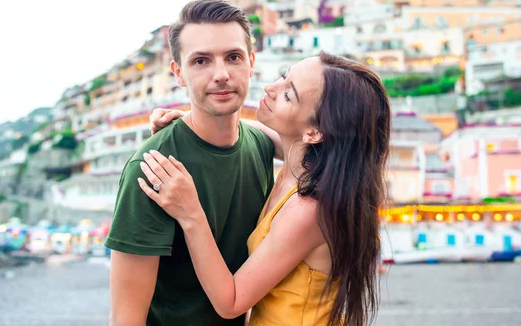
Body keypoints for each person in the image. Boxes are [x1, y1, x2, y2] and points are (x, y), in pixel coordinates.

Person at [143, 51, 391, 326]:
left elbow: (232, 301)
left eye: (288, 94)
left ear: (313, 133)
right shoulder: (300, 162)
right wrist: (190, 122)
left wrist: (190, 213)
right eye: (284, 76)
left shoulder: (308, 209)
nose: (271, 88)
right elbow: (243, 130)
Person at [105, 0, 283, 326]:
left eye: (233, 57)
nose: (221, 75)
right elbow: (125, 318)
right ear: (179, 73)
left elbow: (324, 143)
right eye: (201, 61)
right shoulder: (152, 168)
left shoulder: (260, 145)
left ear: (251, 62)